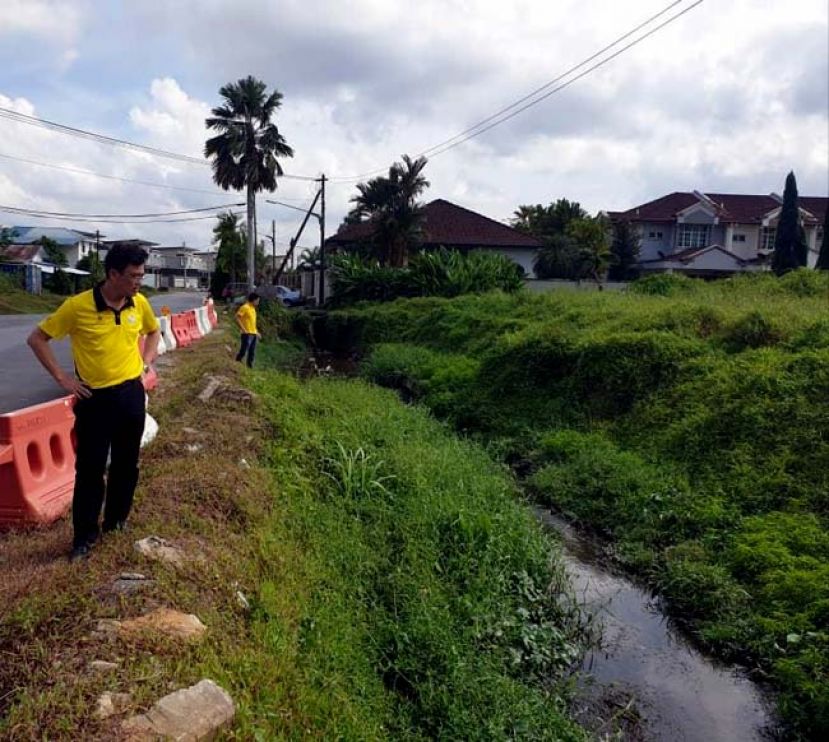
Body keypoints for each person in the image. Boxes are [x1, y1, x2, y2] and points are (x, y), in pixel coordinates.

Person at [27, 244, 160, 562]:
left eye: (141, 275)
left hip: (130, 394)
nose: (138, 282)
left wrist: (147, 362)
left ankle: (116, 523)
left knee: (127, 466)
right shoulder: (78, 307)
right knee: (90, 469)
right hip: (95, 399)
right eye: (132, 276)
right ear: (113, 274)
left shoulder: (138, 303)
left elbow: (153, 332)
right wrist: (64, 379)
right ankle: (84, 538)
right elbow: (37, 339)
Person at [235, 292, 261, 368]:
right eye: (257, 300)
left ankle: (249, 367)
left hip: (253, 334)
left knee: (252, 352)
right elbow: (237, 318)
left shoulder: (253, 309)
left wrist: (257, 332)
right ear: (253, 300)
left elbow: (252, 323)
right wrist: (243, 329)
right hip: (247, 334)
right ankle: (237, 362)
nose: (258, 302)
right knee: (244, 350)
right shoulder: (245, 307)